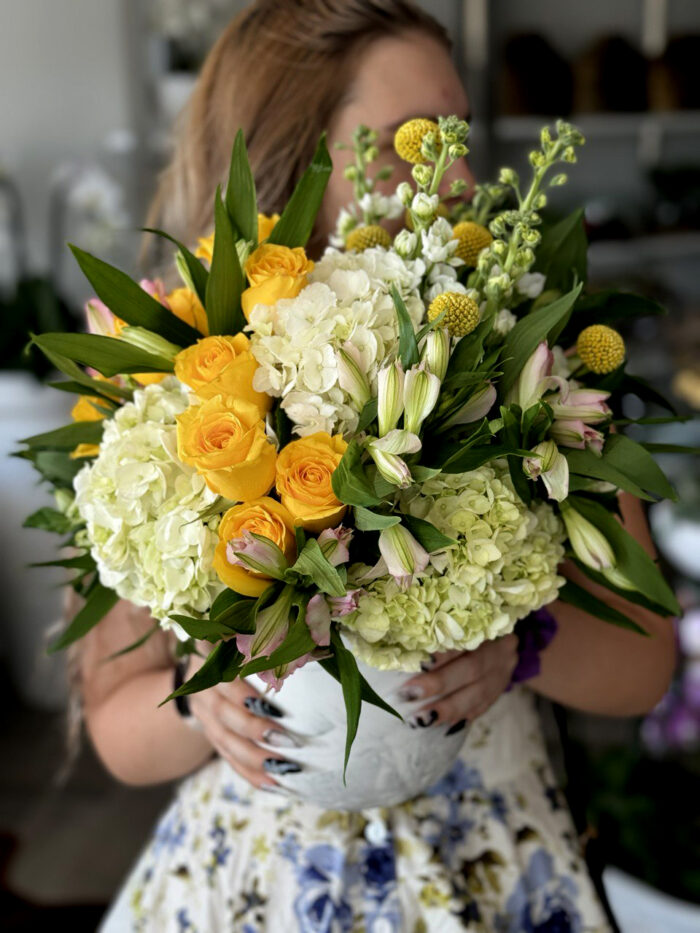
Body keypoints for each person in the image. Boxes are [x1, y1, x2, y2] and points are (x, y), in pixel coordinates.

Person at [75, 2, 676, 930]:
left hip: (495, 866)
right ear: (287, 163)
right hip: (259, 886)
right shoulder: (180, 387)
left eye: (460, 140)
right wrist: (202, 708)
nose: (463, 179)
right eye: (407, 152)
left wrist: (525, 646)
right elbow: (117, 727)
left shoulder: (525, 372)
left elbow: (644, 664)